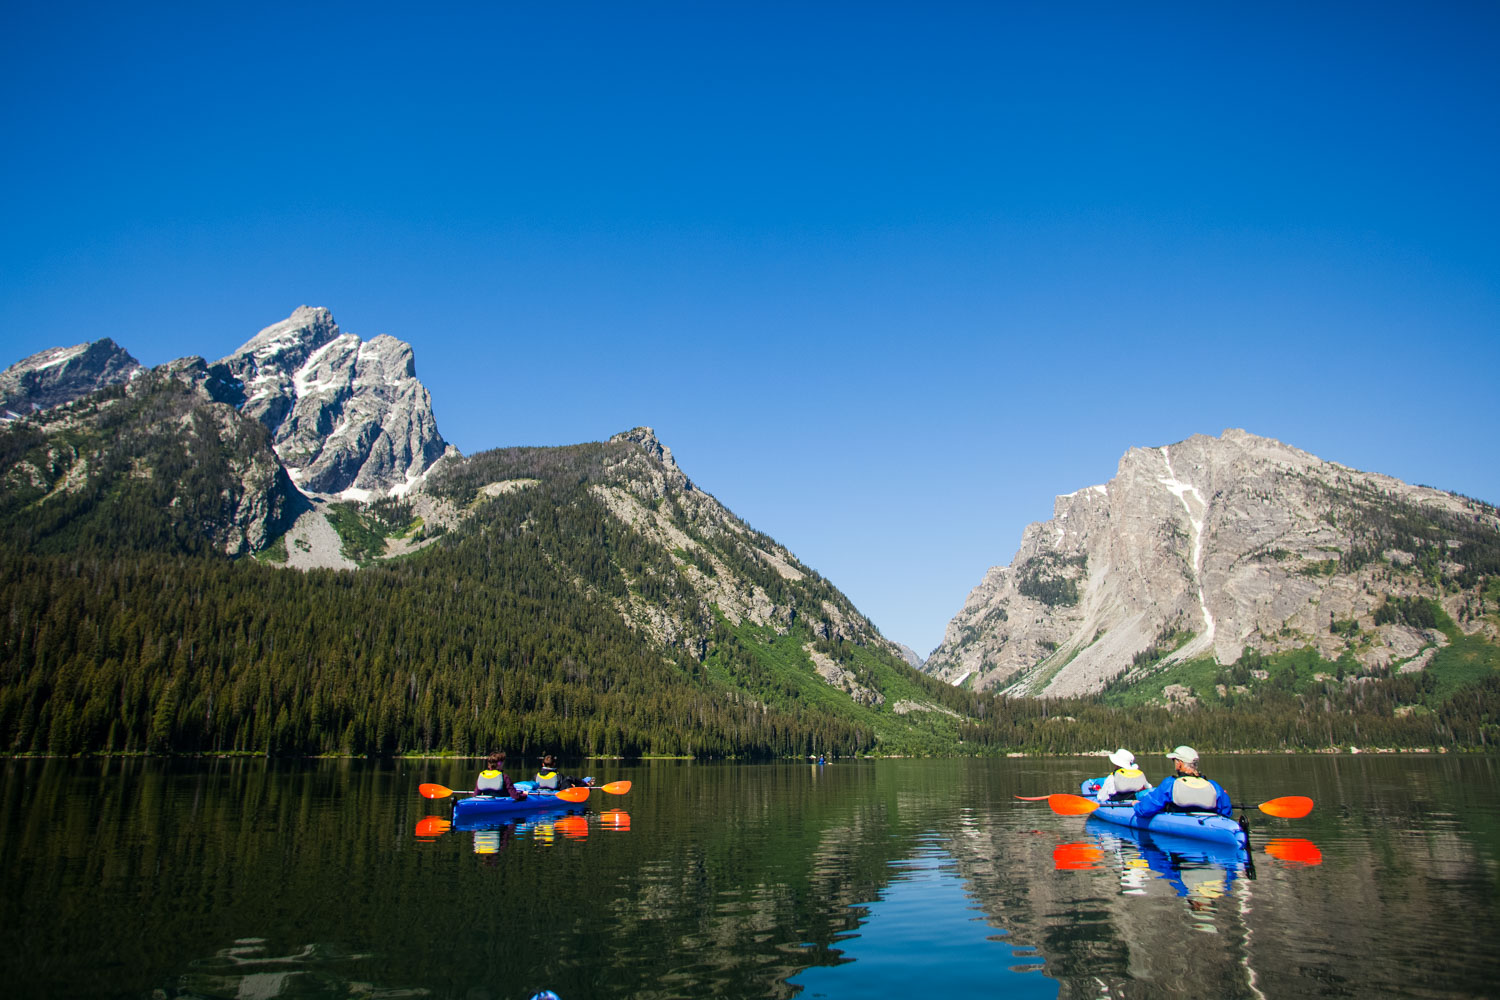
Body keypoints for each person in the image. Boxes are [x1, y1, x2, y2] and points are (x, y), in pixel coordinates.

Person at [1132, 745, 1231, 820]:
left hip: (1179, 823)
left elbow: (1146, 809)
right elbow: (1226, 812)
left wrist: (1136, 805)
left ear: (1179, 764)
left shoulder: (1170, 784)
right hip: (1208, 823)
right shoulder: (1213, 786)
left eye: (1174, 761)